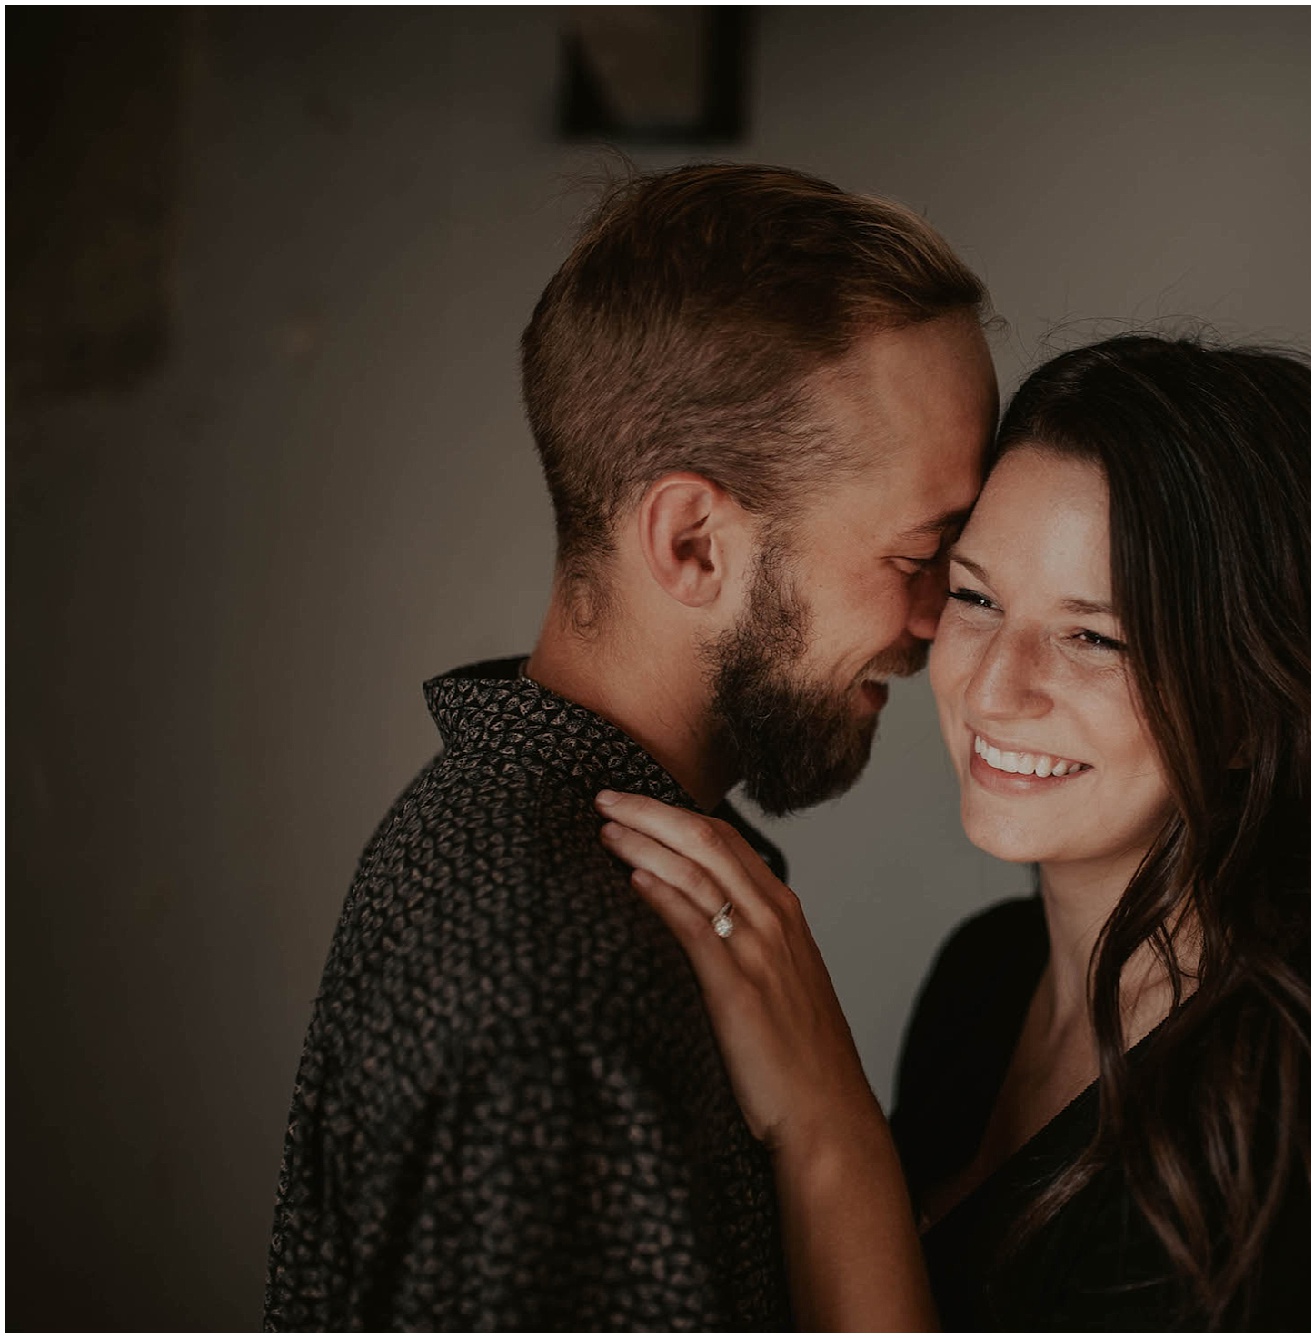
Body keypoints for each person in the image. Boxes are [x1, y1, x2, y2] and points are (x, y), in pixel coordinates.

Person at [596, 333, 1311, 1329]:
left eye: (1092, 636)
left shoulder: (1275, 1148)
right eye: (977, 597)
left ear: (1256, 706)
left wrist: (828, 1131)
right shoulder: (984, 977)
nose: (992, 687)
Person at [262, 163, 998, 1329]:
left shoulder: (567, 864)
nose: (939, 625)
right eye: (918, 558)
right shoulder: (554, 991)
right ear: (693, 543)